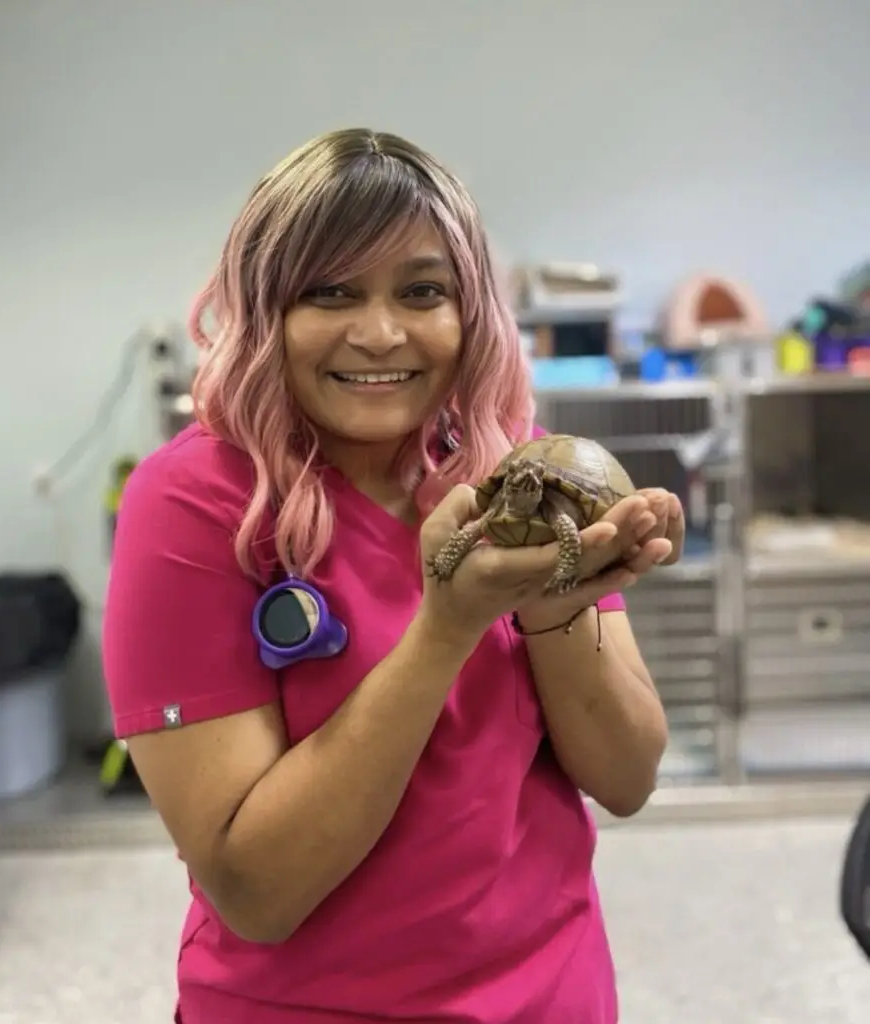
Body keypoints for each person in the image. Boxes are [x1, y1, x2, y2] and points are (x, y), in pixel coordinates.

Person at [103, 127, 683, 1024]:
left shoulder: (516, 473)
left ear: (471, 310)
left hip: (555, 994)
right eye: (328, 292)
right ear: (265, 312)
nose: (379, 334)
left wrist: (555, 609)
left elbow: (627, 777)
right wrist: (445, 629)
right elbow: (255, 892)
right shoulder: (192, 505)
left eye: (422, 292)